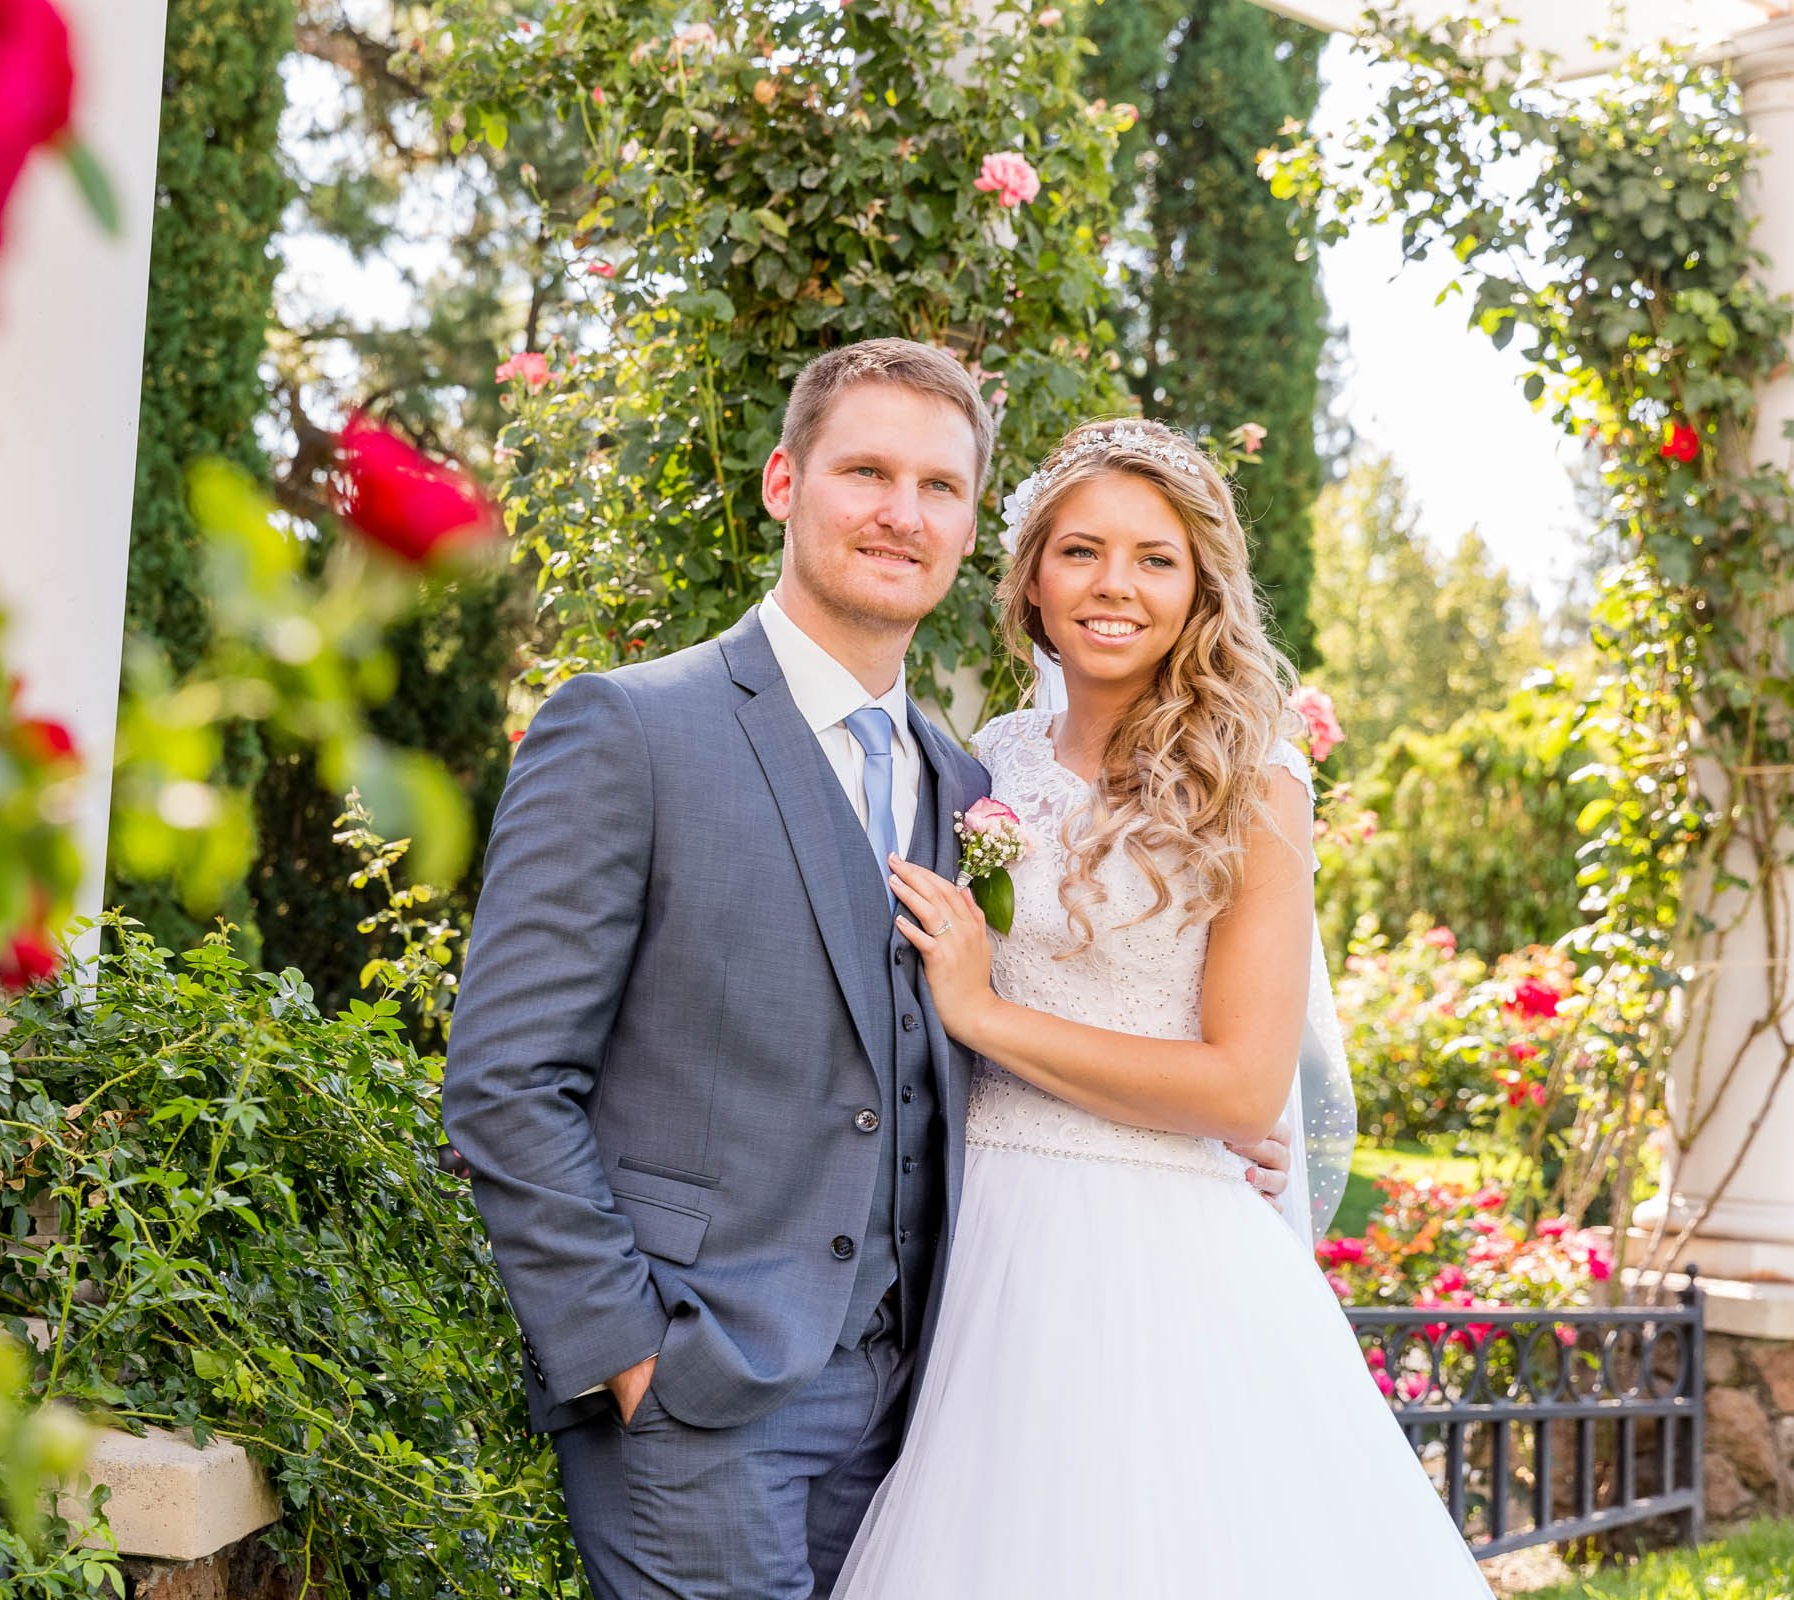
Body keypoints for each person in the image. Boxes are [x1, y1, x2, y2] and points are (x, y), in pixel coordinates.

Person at [441, 343, 1292, 1599]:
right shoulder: (629, 728)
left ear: (965, 534)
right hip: (698, 1393)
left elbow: (976, 1030)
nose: (903, 511)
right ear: (786, 480)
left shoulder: (968, 781)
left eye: (939, 486)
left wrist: (1196, 1113)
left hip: (927, 1401)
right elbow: (507, 1079)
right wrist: (629, 1355)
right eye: (867, 471)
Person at [828, 418, 1490, 1597]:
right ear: (1030, 577)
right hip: (981, 1238)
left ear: (1199, 591)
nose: (1114, 586)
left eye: (1154, 558)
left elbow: (1242, 1084)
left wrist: (989, 1017)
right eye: (1080, 551)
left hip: (1156, 1252)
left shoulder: (1256, 779)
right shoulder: (982, 763)